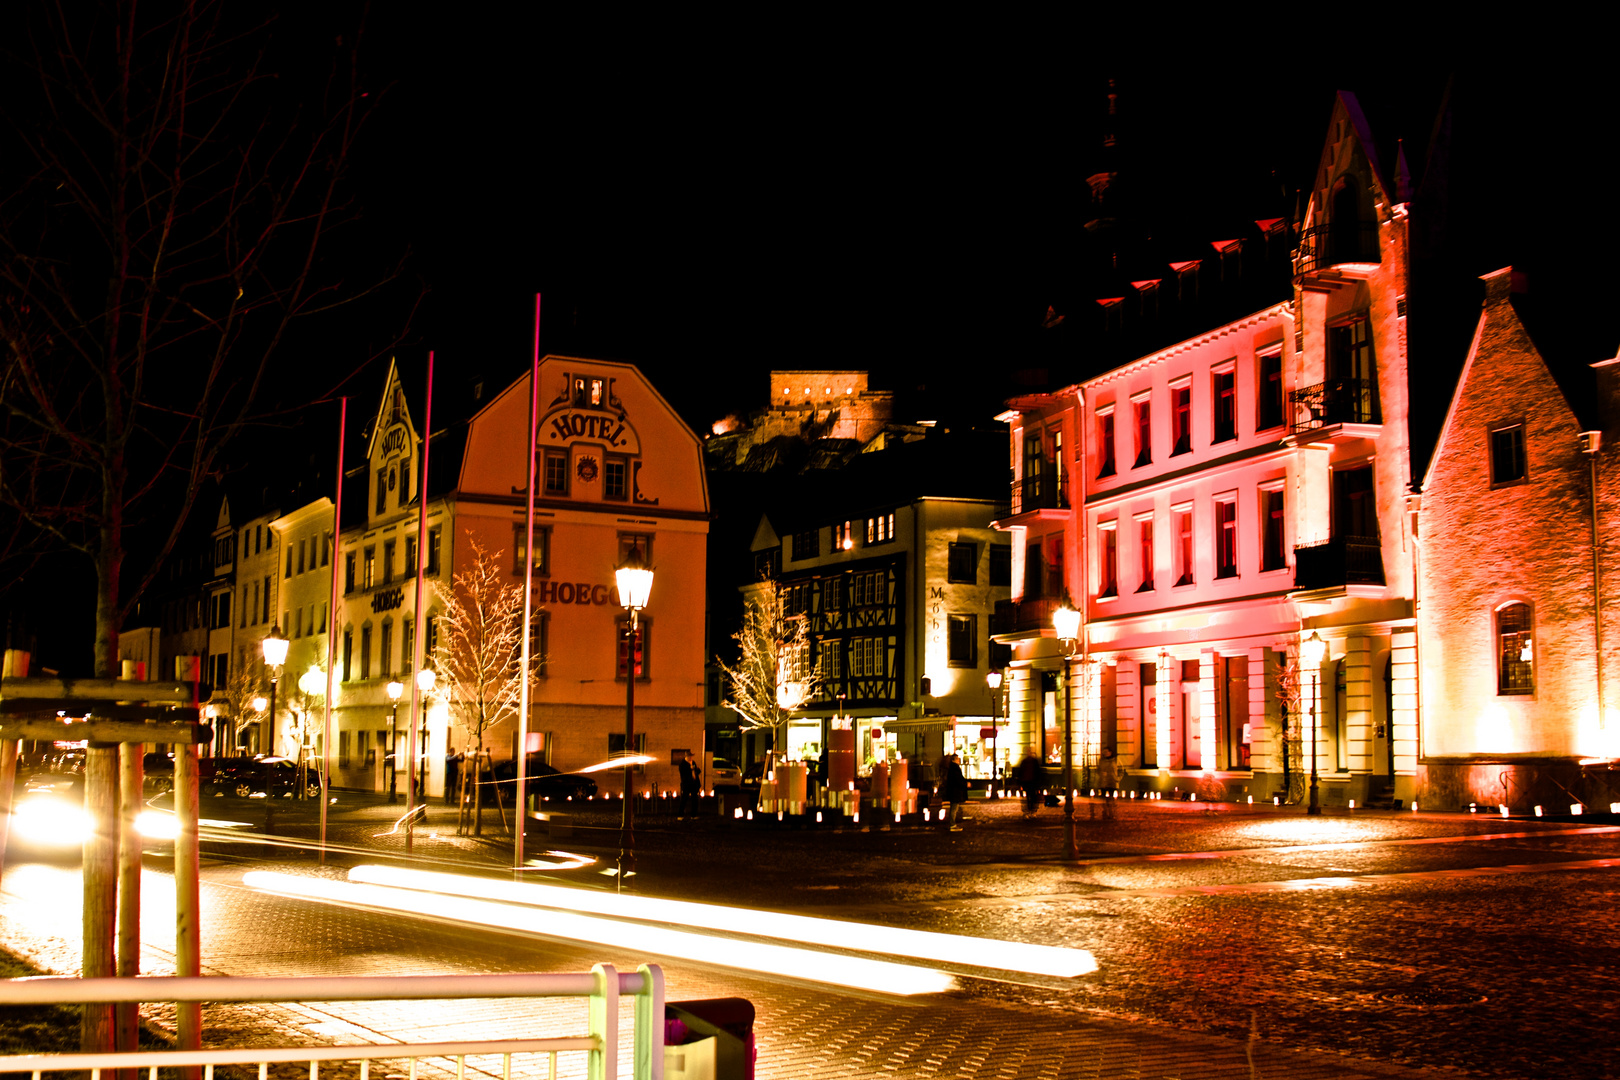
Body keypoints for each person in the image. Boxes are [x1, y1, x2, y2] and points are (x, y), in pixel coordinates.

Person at [940, 753, 969, 831]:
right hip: (955, 792)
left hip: (953, 791)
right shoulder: (955, 768)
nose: (959, 760)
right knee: (954, 808)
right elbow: (958, 779)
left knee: (954, 807)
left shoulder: (952, 768)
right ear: (954, 760)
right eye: (957, 759)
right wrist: (965, 783)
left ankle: (953, 823)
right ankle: (952, 824)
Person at [1018, 753, 1045, 818]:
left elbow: (1021, 772)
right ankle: (1032, 809)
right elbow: (1038, 772)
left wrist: (1021, 782)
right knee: (1032, 795)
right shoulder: (1034, 762)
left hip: (1027, 781)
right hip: (1032, 781)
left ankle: (1030, 808)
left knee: (1029, 795)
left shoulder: (1025, 762)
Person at [677, 749, 701, 817]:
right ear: (686, 757)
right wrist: (691, 770)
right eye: (689, 756)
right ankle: (680, 815)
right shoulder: (682, 764)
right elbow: (684, 774)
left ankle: (694, 815)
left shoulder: (693, 762)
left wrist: (695, 770)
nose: (691, 758)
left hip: (694, 784)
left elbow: (697, 771)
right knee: (684, 800)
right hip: (687, 784)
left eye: (691, 756)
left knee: (694, 800)